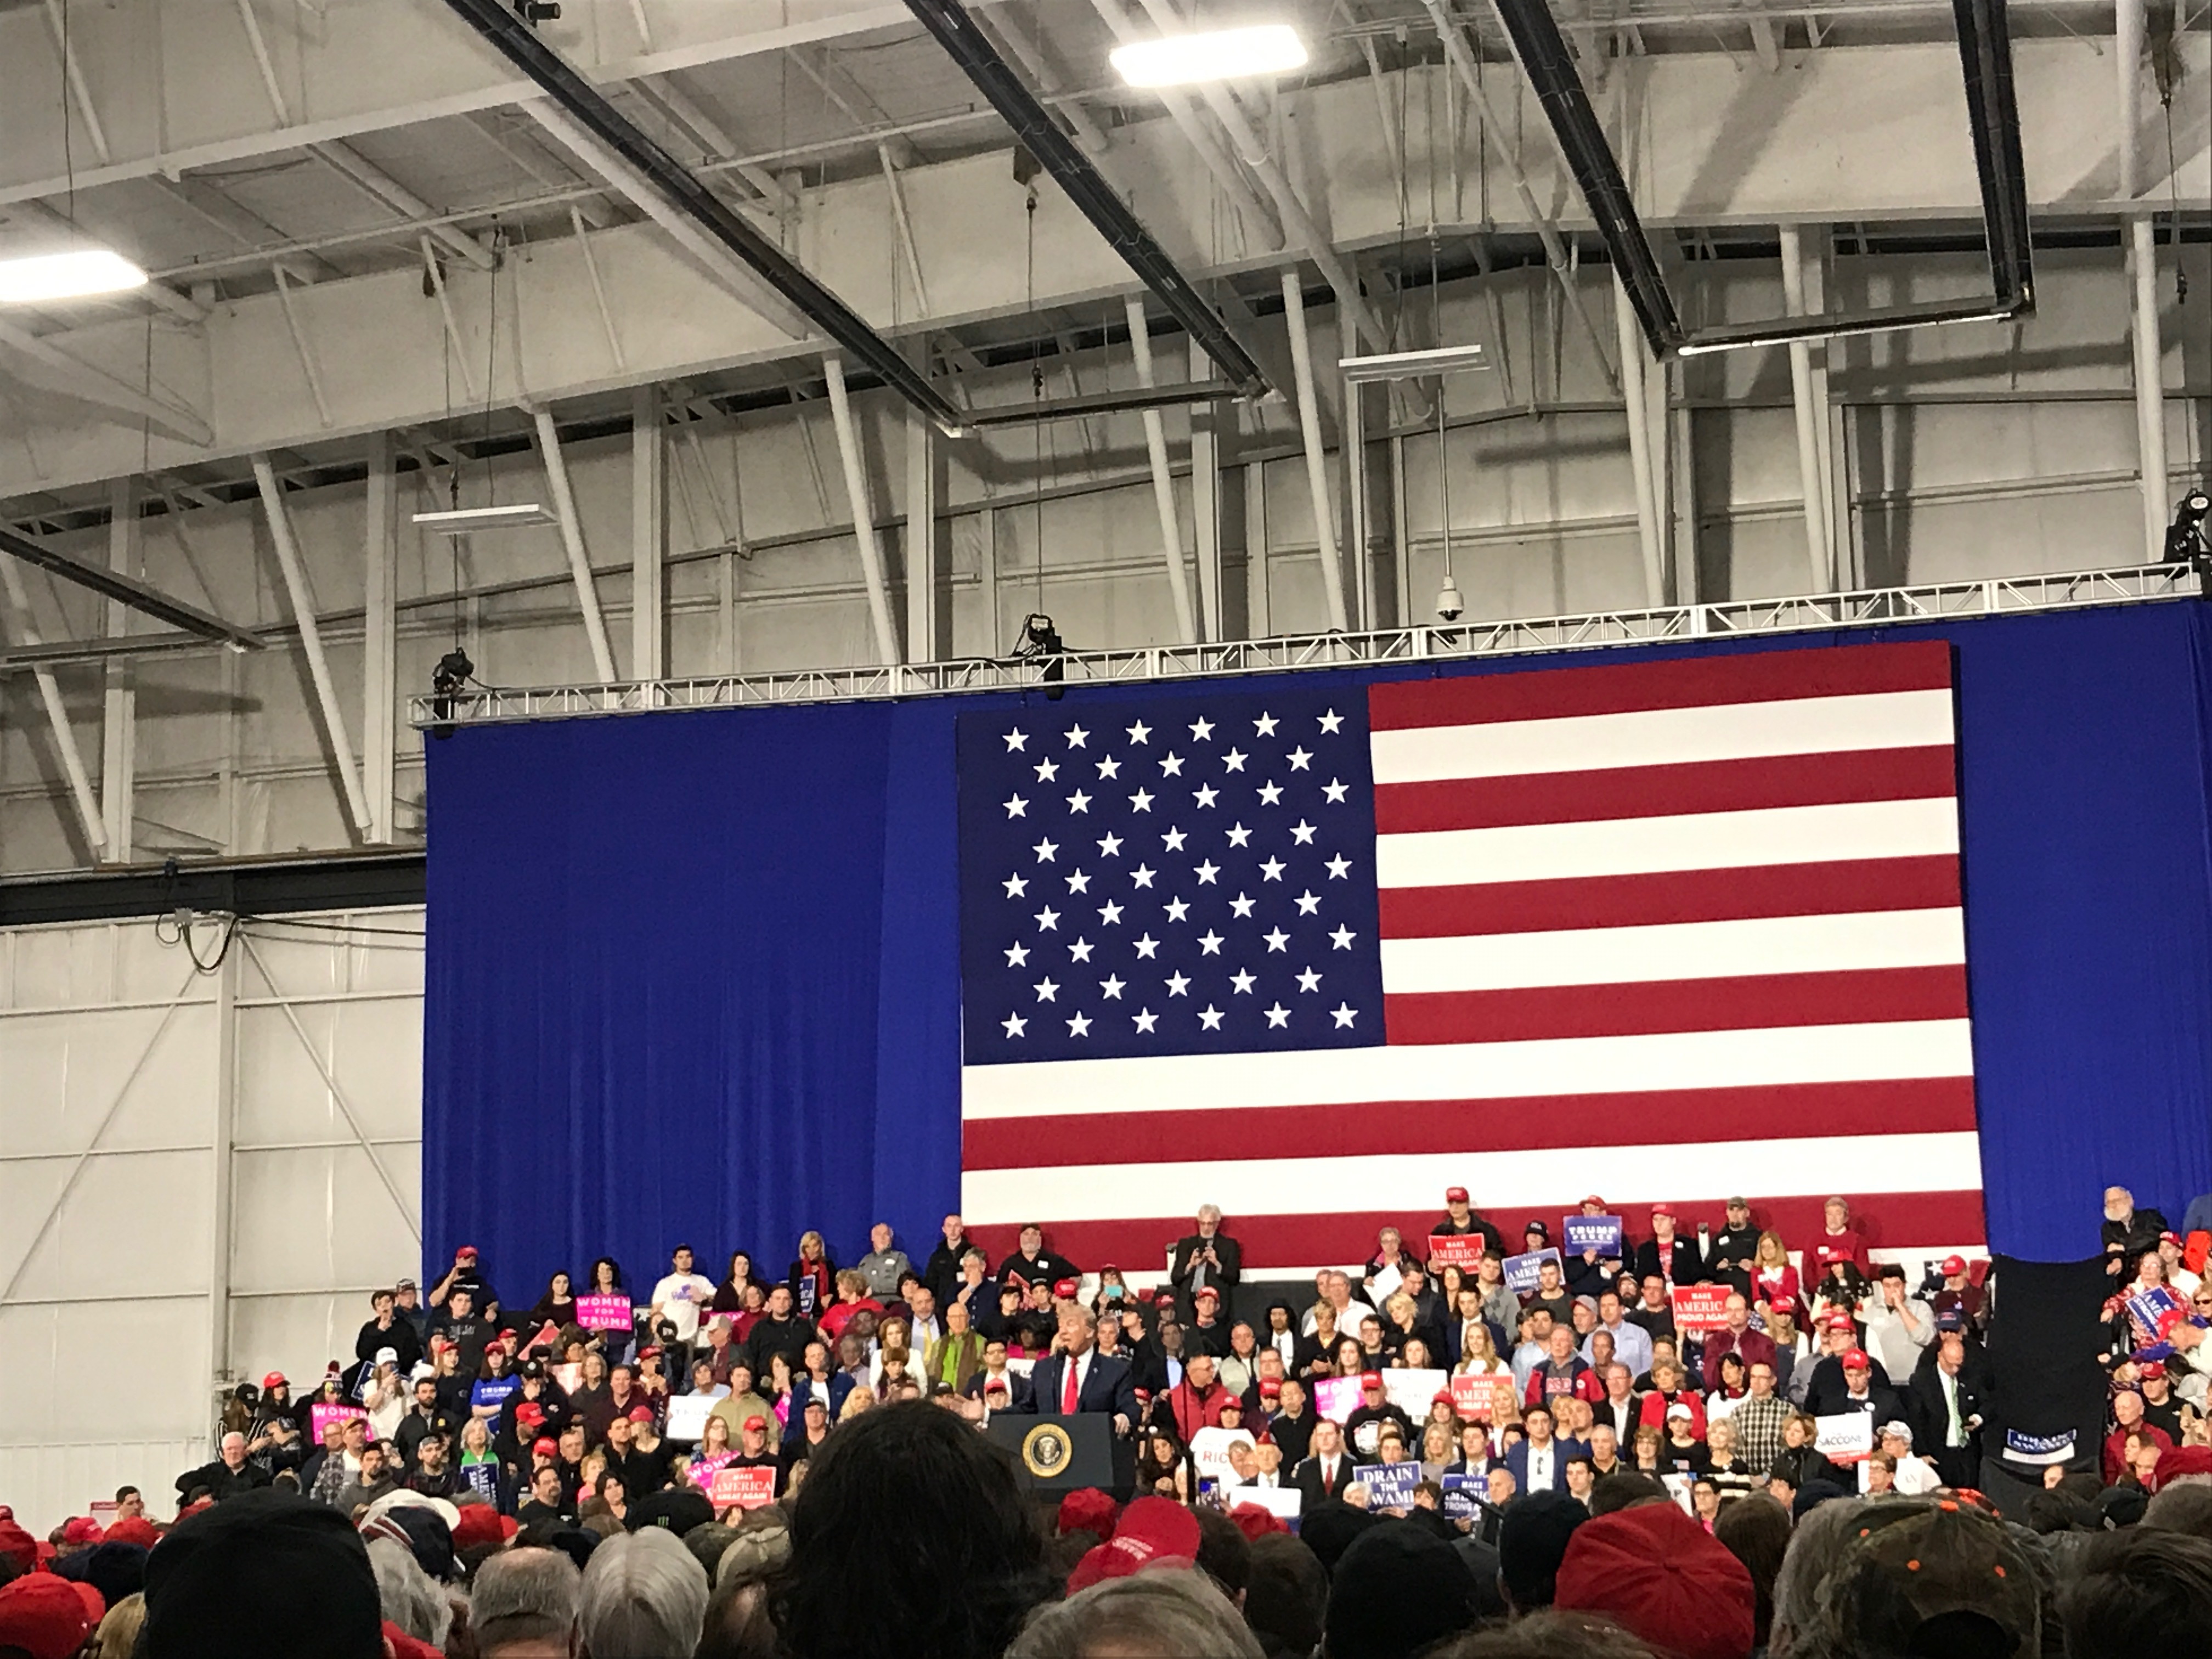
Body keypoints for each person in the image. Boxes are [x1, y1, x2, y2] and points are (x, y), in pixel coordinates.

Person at [1020, 1307, 1137, 1432]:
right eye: (1061, 1326)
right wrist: (1002, 1414)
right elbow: (1028, 1408)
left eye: (1070, 1324)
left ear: (1089, 1332)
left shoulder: (1115, 1370)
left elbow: (1130, 1409)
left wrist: (1124, 1418)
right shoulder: (1044, 1368)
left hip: (1093, 1440)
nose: (1063, 1332)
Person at [1170, 1205, 1244, 1317]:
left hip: (1215, 1304)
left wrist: (1217, 1264)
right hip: (1188, 1301)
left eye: (1210, 1224)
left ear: (1217, 1224)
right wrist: (1190, 1265)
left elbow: (1234, 1278)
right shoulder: (1186, 1245)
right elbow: (1175, 1278)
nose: (1206, 1228)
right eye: (1202, 1223)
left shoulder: (1228, 1246)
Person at [648, 1245, 716, 1356]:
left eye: (688, 1257)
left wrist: (704, 1298)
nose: (685, 1261)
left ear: (692, 1259)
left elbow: (718, 1299)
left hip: (690, 1339)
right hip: (668, 1338)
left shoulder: (701, 1281)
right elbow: (656, 1311)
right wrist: (657, 1332)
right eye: (681, 1257)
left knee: (688, 1366)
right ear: (675, 1261)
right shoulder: (665, 1283)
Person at [1629, 1205, 1705, 1285]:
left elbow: (1698, 1274)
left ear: (1673, 1221)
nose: (1659, 1224)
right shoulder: (1645, 1250)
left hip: (1682, 1290)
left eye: (1663, 1219)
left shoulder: (1689, 1245)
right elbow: (1641, 1278)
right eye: (1655, 1220)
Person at [1292, 1420, 1358, 1505]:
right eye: (1320, 1435)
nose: (1324, 1439)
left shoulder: (1353, 1466)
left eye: (1329, 1434)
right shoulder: (1305, 1468)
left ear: (1338, 1437)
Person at [1434, 1185, 1507, 1255]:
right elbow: (1432, 1256)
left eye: (1459, 1203)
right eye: (1451, 1203)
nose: (1455, 1207)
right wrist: (1431, 1262)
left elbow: (1499, 1254)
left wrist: (1489, 1257)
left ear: (1467, 1204)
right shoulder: (1440, 1232)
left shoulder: (1486, 1230)